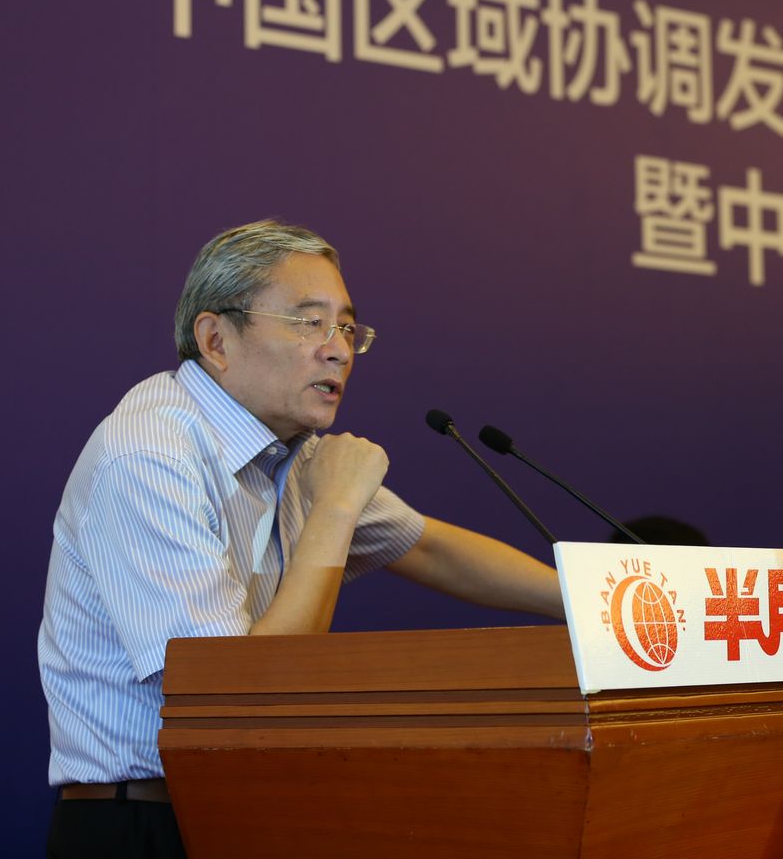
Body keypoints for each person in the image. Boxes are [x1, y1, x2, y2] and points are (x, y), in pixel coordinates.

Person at [38, 220, 565, 858]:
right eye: (309, 323)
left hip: (250, 810)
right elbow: (235, 695)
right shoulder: (151, 455)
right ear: (216, 339)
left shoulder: (287, 449)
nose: (338, 350)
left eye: (347, 327)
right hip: (143, 825)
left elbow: (427, 547)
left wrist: (593, 608)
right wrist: (336, 508)